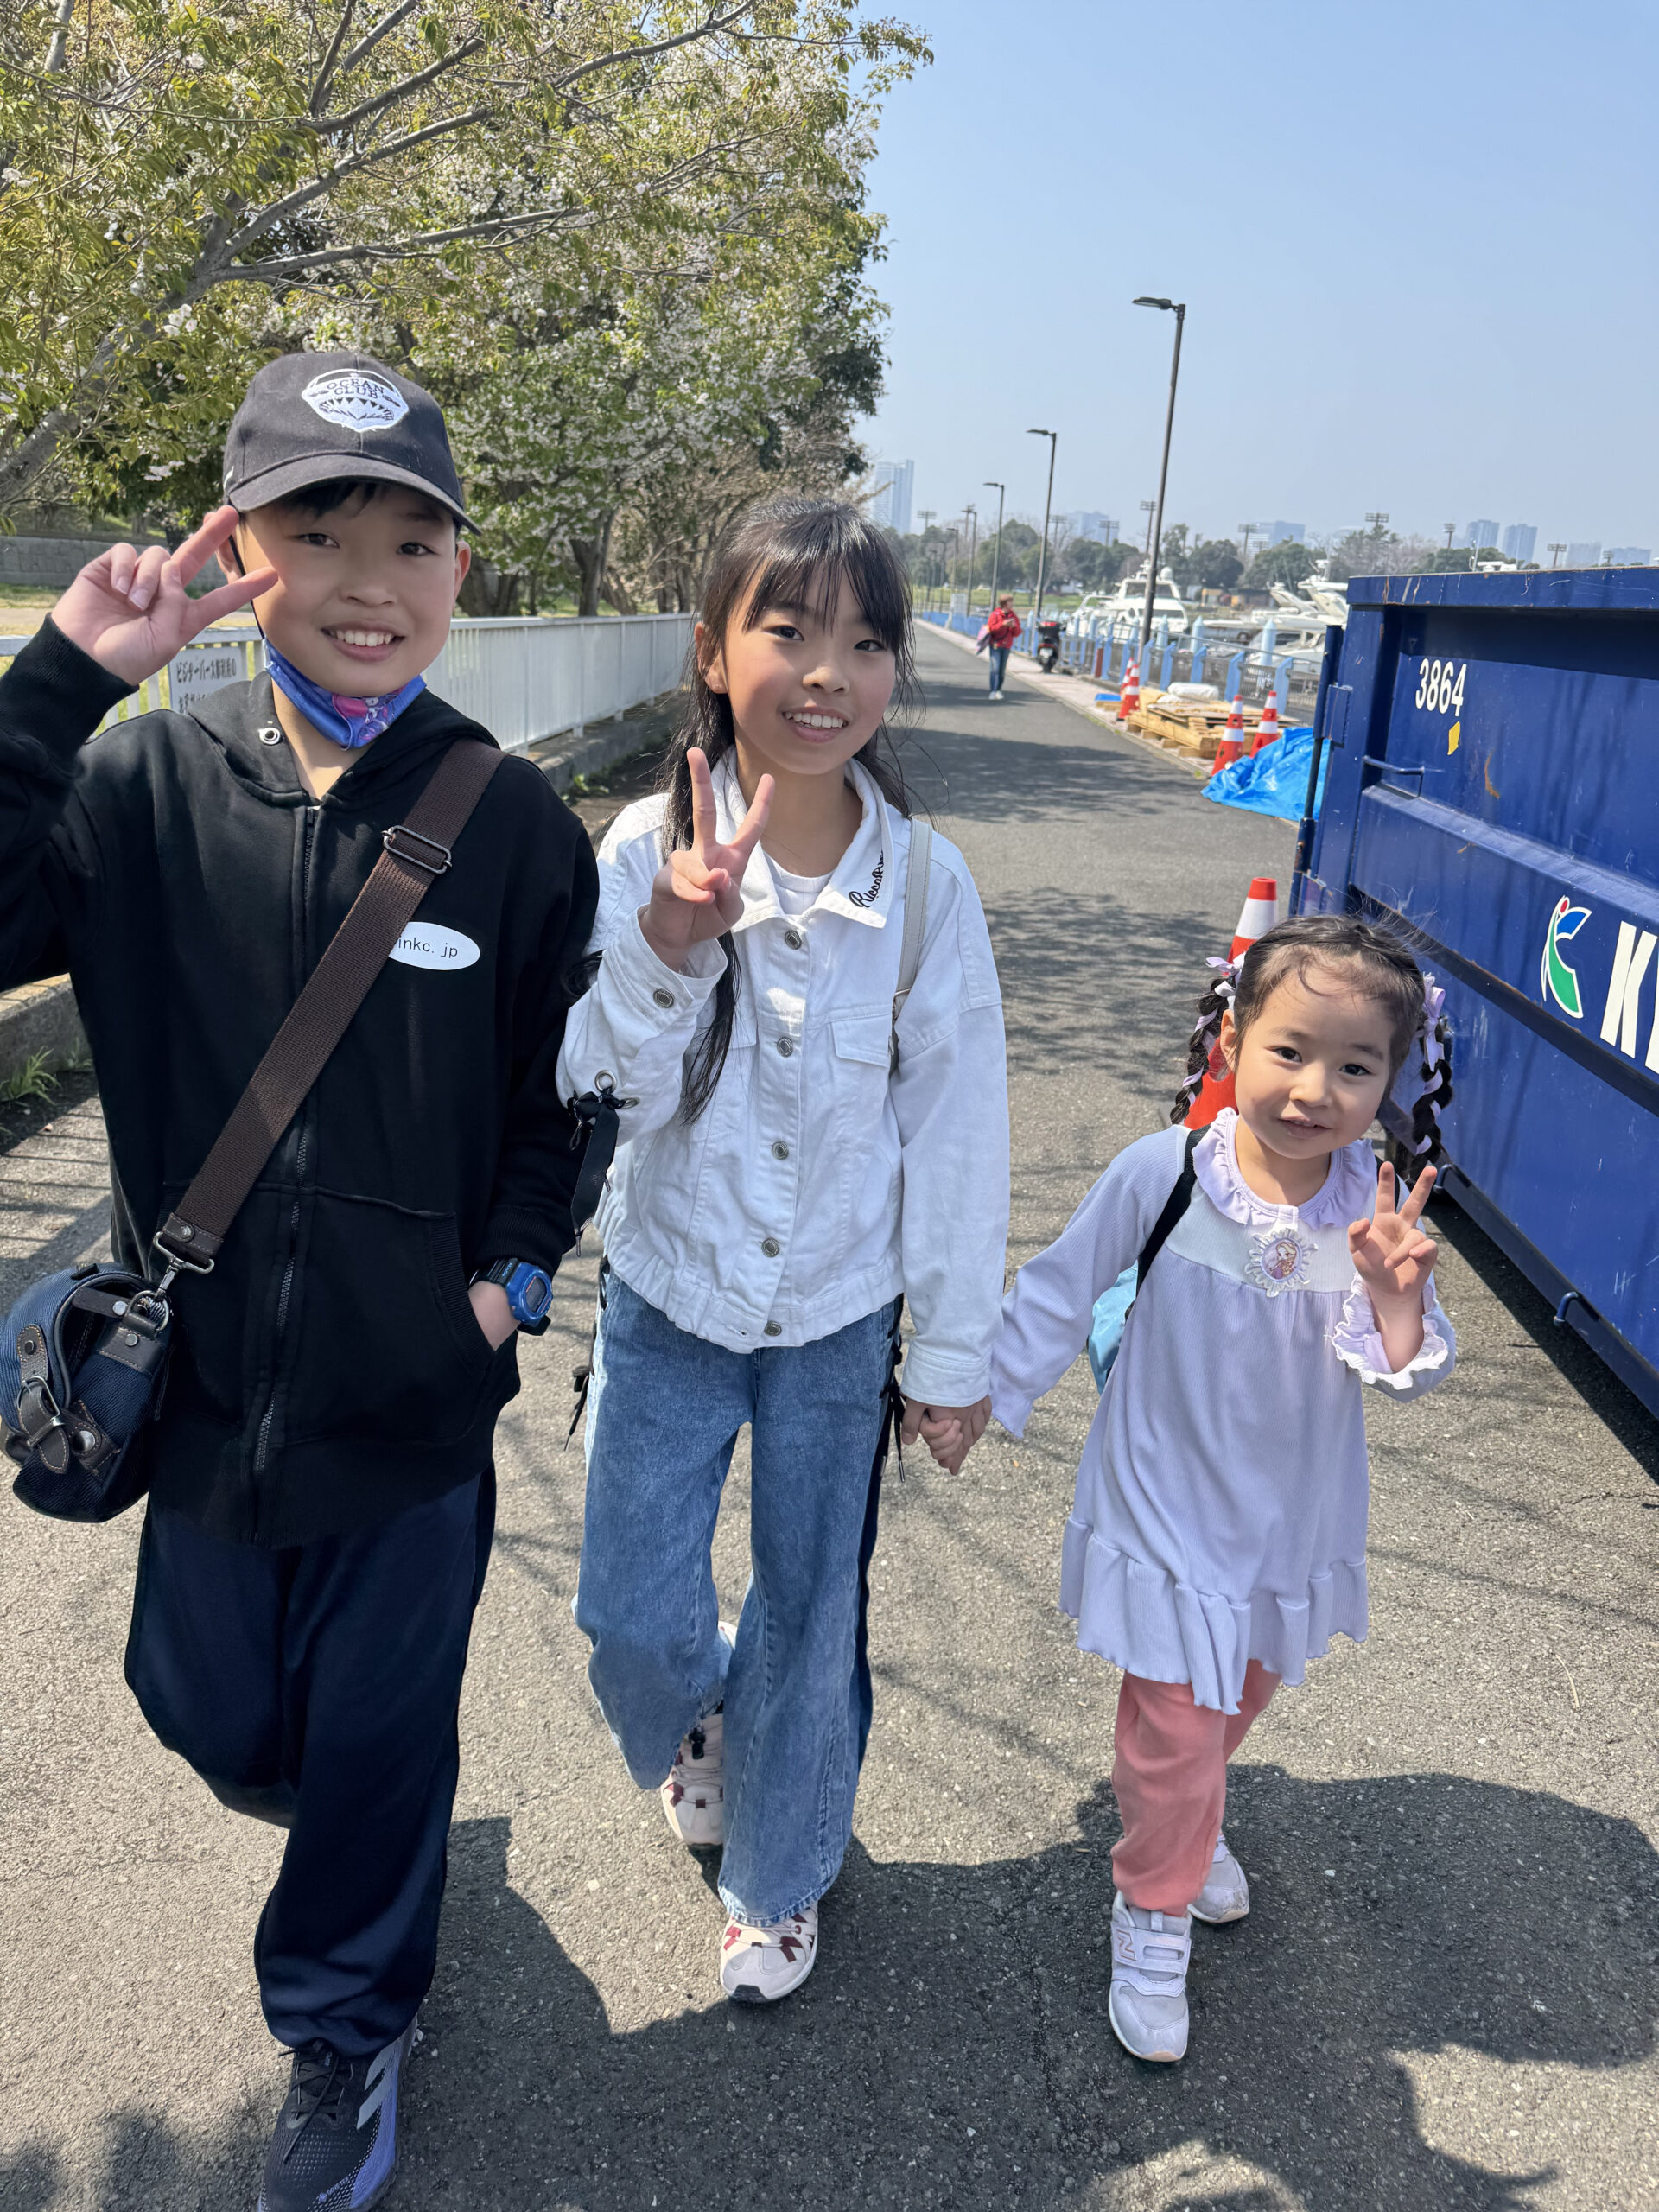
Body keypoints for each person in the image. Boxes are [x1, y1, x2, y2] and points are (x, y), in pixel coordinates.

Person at [0, 353, 598, 2209]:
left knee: (377, 1736)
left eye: (411, 539)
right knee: (208, 1711)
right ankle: (350, 1822)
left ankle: (345, 2023)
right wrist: (62, 679)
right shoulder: (142, 787)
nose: (366, 579)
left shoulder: (514, 824)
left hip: (413, 1410)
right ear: (240, 549)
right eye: (316, 530)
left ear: (461, 569)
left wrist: (505, 1285)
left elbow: (562, 1099)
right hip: (192, 1398)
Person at [558, 496, 1008, 2003]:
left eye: (867, 643)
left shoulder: (926, 884)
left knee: (813, 1614)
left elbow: (957, 1132)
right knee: (632, 1612)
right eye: (790, 630)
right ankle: (705, 1719)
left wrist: (952, 1356)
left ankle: (778, 1874)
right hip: (670, 1293)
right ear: (712, 651)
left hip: (835, 1317)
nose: (828, 672)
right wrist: (670, 943)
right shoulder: (642, 849)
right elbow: (590, 1085)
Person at [988, 915, 1457, 2063]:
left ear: (1390, 1081)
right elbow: (1058, 1289)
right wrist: (968, 1398)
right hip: (1164, 1501)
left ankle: (1183, 1820)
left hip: (1287, 1521)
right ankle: (1153, 1901)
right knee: (1178, 1728)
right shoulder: (1165, 1174)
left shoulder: (1371, 1209)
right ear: (1234, 1039)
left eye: (1355, 1067)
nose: (1316, 1090)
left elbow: (1400, 1369)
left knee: (1229, 1701)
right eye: (1290, 1050)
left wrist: (1397, 1299)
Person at [978, 593, 1021, 698]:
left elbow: (1017, 633)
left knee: (1002, 670)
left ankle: (998, 689)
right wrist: (1002, 624)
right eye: (1010, 602)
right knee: (995, 668)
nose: (1012, 604)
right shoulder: (995, 614)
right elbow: (991, 629)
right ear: (1005, 604)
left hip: (1006, 646)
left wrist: (1014, 626)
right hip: (996, 645)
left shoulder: (1013, 616)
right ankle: (993, 690)